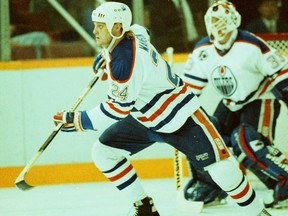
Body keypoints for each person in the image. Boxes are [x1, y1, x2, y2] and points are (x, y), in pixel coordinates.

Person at [53, 2, 271, 215]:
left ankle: (257, 212)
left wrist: (79, 120)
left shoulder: (124, 62)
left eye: (101, 26)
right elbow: (143, 31)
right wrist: (104, 56)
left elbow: (117, 109)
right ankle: (144, 208)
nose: (95, 30)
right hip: (146, 118)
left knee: (221, 167)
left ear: (117, 27)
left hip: (181, 117)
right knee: (104, 152)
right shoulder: (133, 33)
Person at [181, 0, 288, 210]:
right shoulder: (203, 50)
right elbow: (188, 91)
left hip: (259, 99)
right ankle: (213, 185)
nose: (216, 26)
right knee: (203, 134)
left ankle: (283, 181)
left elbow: (282, 76)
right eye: (212, 21)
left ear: (233, 21)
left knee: (245, 139)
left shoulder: (251, 44)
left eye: (221, 21)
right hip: (230, 103)